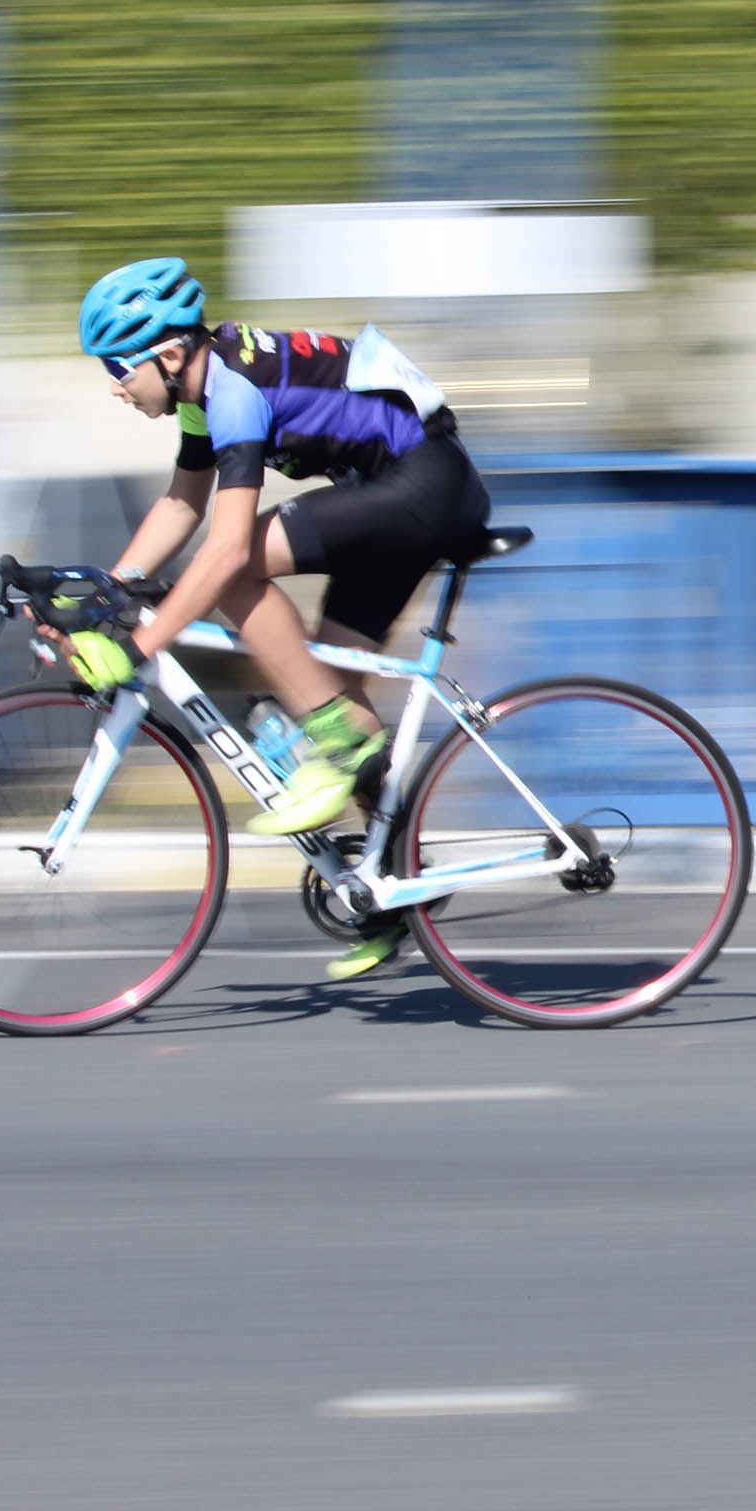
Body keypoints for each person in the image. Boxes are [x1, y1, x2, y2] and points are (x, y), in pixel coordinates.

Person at [66, 256, 492, 979]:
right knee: (325, 681)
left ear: (169, 355)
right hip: (403, 487)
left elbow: (227, 549)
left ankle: (334, 748)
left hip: (422, 485)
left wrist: (139, 643)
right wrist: (107, 589)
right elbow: (180, 505)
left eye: (117, 365)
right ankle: (388, 887)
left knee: (236, 571)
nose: (112, 384)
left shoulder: (230, 390)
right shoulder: (205, 393)